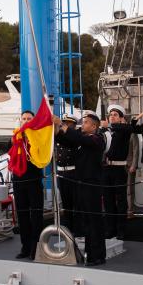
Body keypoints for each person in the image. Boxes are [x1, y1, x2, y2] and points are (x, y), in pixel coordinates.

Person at [56, 111, 107, 266]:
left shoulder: (97, 139)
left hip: (92, 185)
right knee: (86, 221)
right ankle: (90, 253)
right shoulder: (83, 140)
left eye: (85, 123)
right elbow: (67, 142)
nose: (82, 125)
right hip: (82, 184)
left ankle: (97, 256)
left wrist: (63, 125)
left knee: (94, 221)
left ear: (93, 126)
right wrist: (57, 131)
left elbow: (78, 138)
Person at [12, 111, 45, 260]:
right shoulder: (15, 137)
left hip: (34, 180)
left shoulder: (38, 136)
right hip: (19, 180)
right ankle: (25, 247)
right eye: (23, 119)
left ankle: (35, 247)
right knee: (23, 214)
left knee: (36, 215)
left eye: (29, 119)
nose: (26, 121)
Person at [103, 104, 133, 240]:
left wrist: (109, 126)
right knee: (108, 200)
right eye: (111, 115)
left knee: (121, 201)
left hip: (119, 168)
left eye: (115, 115)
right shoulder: (106, 131)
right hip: (106, 168)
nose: (112, 117)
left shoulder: (123, 130)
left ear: (121, 118)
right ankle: (110, 229)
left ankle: (122, 230)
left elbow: (130, 127)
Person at [56, 114, 78, 235]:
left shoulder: (75, 138)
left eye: (68, 123)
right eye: (64, 122)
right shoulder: (60, 137)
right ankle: (68, 226)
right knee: (65, 202)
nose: (66, 125)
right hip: (61, 172)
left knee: (74, 201)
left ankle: (77, 227)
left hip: (72, 172)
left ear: (73, 125)